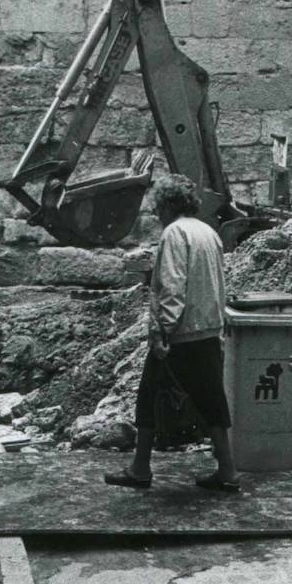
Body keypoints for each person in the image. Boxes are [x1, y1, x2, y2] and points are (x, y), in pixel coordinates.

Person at [105, 173, 239, 493]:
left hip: (180, 332)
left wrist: (163, 330)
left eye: (157, 207)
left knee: (148, 397)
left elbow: (173, 285)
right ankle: (227, 469)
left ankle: (140, 468)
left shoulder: (174, 234)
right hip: (208, 328)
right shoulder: (208, 232)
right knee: (212, 401)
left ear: (166, 205)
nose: (156, 213)